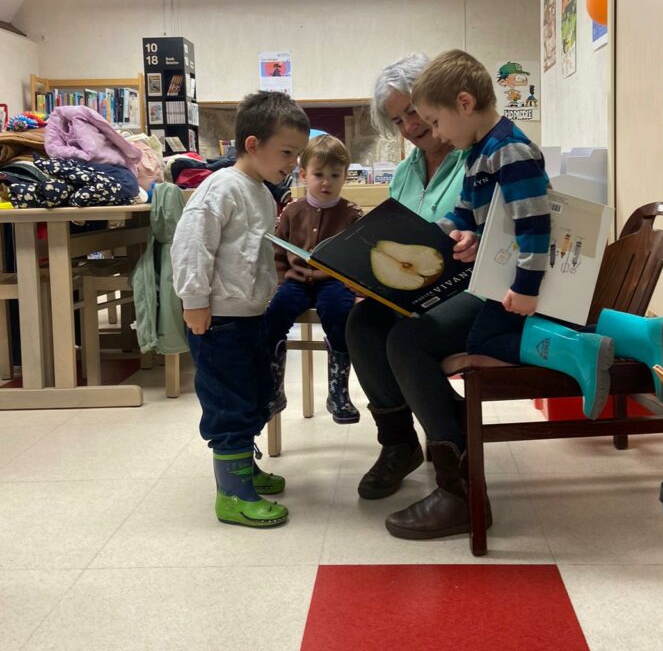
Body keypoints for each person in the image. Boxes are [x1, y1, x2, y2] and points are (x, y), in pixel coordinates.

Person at [378, 49, 663, 541]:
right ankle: (641, 336)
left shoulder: (509, 151)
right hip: (507, 278)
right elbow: (465, 215)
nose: (435, 133)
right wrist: (443, 236)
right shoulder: (479, 153)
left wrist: (524, 289)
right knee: (465, 336)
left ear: (464, 103)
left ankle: (579, 351)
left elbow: (534, 224)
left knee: (480, 339)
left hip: (522, 283)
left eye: (436, 121)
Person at [171, 91, 310, 529]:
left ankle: (244, 469)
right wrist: (194, 302)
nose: (294, 163)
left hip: (250, 314)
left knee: (251, 394)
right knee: (228, 401)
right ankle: (232, 494)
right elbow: (192, 247)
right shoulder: (220, 188)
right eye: (287, 152)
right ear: (253, 144)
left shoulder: (263, 193)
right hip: (218, 318)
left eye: (297, 154)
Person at [346, 53, 467, 502]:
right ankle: (399, 444)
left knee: (406, 336)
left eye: (413, 111)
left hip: (467, 291)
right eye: (398, 120)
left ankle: (453, 459)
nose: (410, 126)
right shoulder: (403, 173)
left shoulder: (473, 158)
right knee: (362, 323)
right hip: (415, 293)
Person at [266, 134, 364, 423]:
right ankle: (273, 389)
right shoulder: (292, 210)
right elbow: (278, 251)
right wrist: (280, 281)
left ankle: (338, 392)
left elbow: (359, 257)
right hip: (295, 280)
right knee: (274, 314)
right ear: (304, 175)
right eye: (319, 174)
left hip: (334, 281)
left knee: (339, 313)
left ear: (345, 176)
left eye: (335, 175)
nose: (326, 182)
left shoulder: (351, 214)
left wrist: (353, 287)